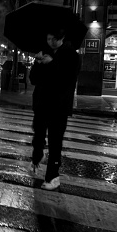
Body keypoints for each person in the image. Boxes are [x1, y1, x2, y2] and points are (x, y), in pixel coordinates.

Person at [28, 27, 81, 191]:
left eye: (54, 39)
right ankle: (37, 157)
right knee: (38, 135)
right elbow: (33, 79)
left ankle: (53, 176)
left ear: (62, 37)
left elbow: (66, 80)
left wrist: (52, 63)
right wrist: (37, 63)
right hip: (42, 104)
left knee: (55, 141)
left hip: (58, 106)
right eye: (48, 38)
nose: (50, 42)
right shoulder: (45, 53)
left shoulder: (72, 55)